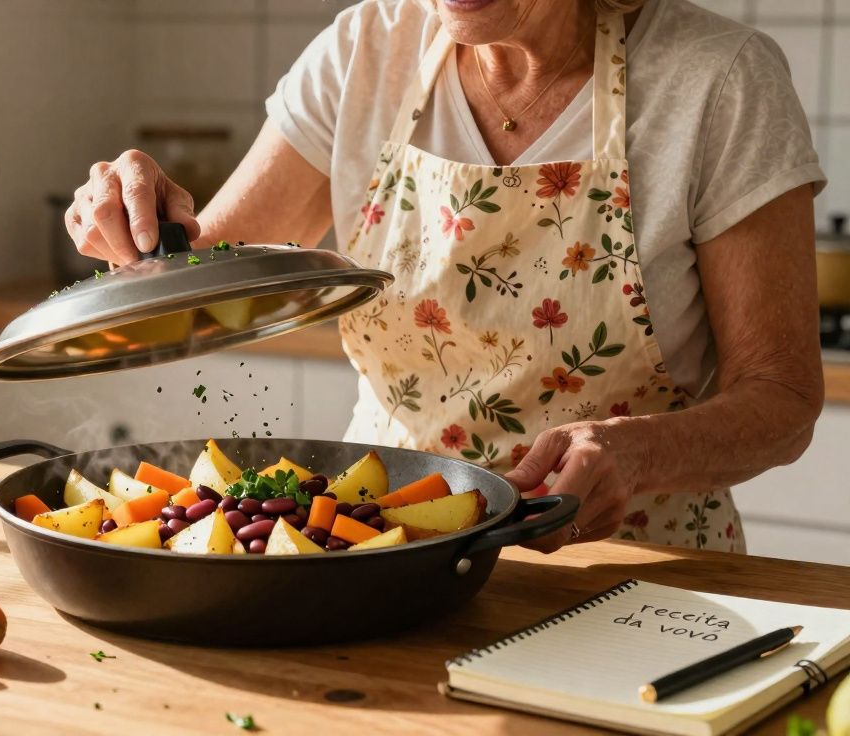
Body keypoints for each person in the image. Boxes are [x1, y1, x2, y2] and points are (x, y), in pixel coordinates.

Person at [63, 0, 825, 552]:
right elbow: (203, 286)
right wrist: (132, 219)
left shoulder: (719, 81)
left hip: (636, 571)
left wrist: (640, 453)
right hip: (378, 553)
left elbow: (783, 399)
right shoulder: (364, 51)